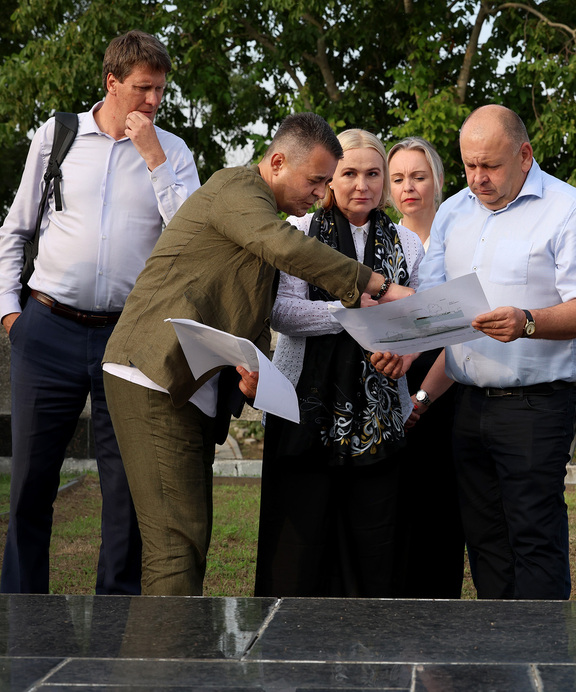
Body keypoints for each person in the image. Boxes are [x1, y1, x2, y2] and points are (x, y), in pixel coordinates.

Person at [101, 113, 413, 596]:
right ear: (278, 161)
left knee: (188, 541)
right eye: (317, 180)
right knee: (175, 549)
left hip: (189, 384)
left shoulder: (265, 215)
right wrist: (377, 285)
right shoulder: (238, 190)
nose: (320, 193)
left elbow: (248, 313)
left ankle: (172, 661)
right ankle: (166, 669)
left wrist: (256, 376)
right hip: (153, 373)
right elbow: (287, 249)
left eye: (327, 182)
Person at [375, 104, 576, 600]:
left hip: (536, 405)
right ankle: (498, 661)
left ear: (524, 155)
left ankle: (541, 663)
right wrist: (404, 350)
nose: (478, 178)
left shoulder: (571, 211)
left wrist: (529, 321)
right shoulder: (455, 213)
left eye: (491, 165)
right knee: (484, 542)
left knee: (532, 536)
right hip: (467, 403)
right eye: (469, 165)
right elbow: (437, 304)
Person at [0, 31, 200, 595]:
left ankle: (118, 621)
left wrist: (155, 159)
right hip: (45, 329)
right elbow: (15, 229)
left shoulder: (174, 152)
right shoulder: (57, 135)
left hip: (128, 337)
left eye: (161, 89)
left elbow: (191, 238)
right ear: (111, 82)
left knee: (127, 489)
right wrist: (11, 316)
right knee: (31, 486)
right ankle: (22, 619)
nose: (154, 101)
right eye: (143, 88)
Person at [253, 129, 424, 597]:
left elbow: (419, 319)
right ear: (330, 178)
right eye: (348, 173)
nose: (361, 185)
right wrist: (349, 314)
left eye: (373, 174)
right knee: (299, 547)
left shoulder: (407, 245)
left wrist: (403, 348)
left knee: (374, 545)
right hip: (302, 411)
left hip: (382, 413)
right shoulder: (300, 232)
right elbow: (282, 313)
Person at [386, 136, 466, 598]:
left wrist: (422, 399)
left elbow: (458, 325)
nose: (408, 187)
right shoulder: (382, 241)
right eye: (398, 178)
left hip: (447, 387)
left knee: (440, 512)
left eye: (419, 176)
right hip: (389, 382)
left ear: (438, 181)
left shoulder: (458, 240)